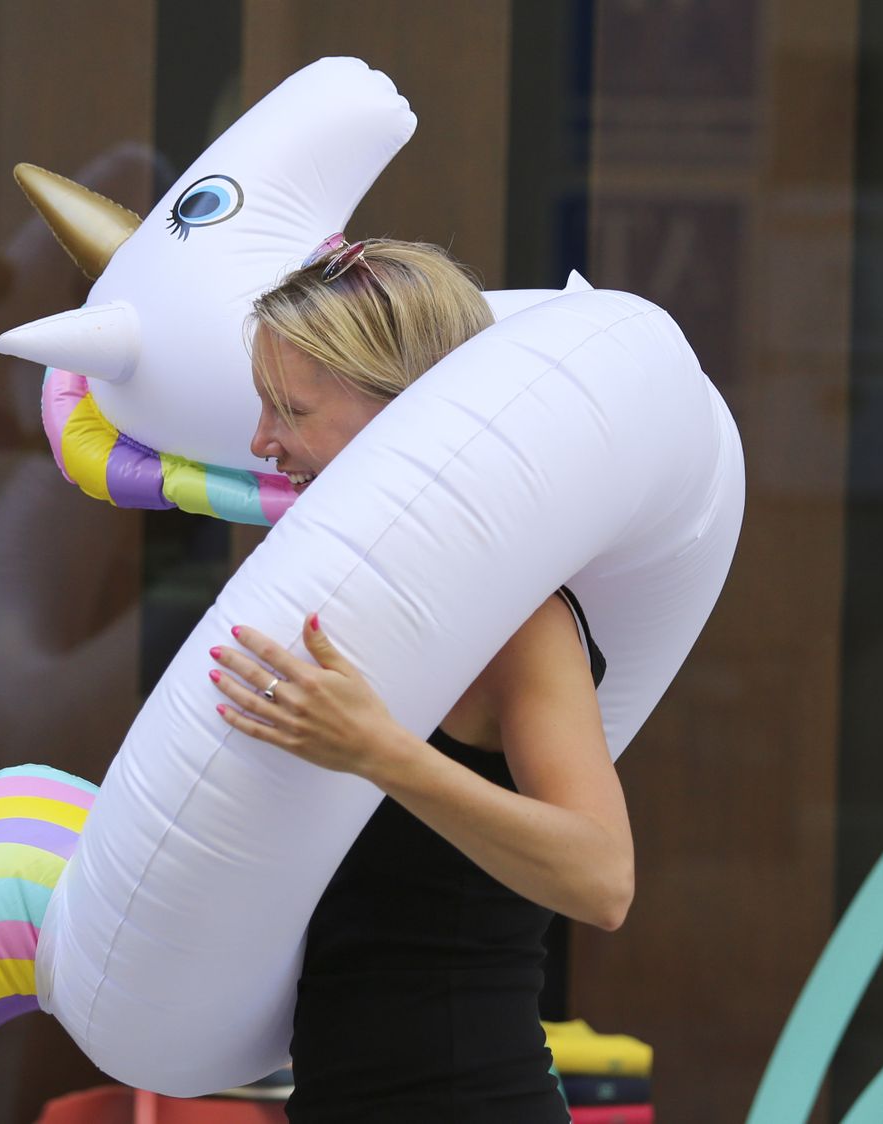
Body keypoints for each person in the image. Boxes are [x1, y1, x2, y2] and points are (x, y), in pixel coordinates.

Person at [208, 236, 633, 1123]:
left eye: (289, 406)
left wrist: (381, 753)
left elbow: (603, 879)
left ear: (403, 415)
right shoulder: (335, 597)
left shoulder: (518, 619)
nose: (261, 441)